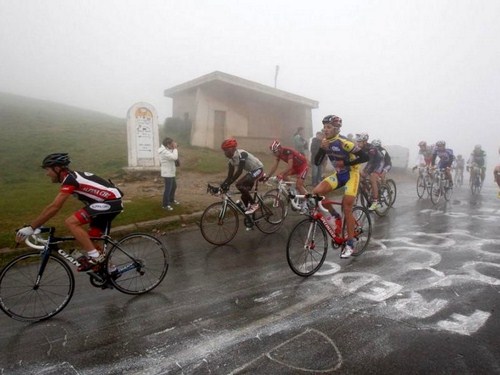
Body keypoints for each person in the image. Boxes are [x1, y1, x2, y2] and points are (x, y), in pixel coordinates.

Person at [15, 153, 123, 272]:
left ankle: (95, 257)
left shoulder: (70, 180)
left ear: (57, 169)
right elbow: (52, 207)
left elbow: (55, 207)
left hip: (111, 202)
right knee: (90, 240)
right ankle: (111, 270)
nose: (47, 174)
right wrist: (36, 225)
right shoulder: (71, 177)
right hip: (106, 203)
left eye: (47, 170)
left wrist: (32, 227)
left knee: (71, 222)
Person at [313, 115, 369, 258]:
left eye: (329, 127)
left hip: (351, 174)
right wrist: (321, 149)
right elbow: (317, 162)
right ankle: (334, 215)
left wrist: (346, 164)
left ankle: (350, 243)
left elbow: (364, 157)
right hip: (339, 174)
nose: (326, 130)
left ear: (336, 128)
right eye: (324, 127)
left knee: (347, 207)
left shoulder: (344, 142)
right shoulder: (325, 142)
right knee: (317, 192)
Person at [220, 138, 264, 215]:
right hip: (251, 172)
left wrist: (228, 184)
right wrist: (222, 185)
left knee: (239, 184)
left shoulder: (242, 154)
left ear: (233, 149)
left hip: (258, 169)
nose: (225, 153)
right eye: (224, 150)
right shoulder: (231, 161)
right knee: (244, 196)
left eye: (226, 150)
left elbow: (239, 171)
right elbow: (229, 176)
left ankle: (254, 205)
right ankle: (250, 218)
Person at [356, 133, 384, 211]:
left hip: (379, 162)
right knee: (361, 178)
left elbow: (371, 162)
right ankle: (368, 193)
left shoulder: (372, 149)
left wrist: (365, 172)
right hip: (371, 163)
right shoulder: (359, 148)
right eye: (357, 141)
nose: (357, 143)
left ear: (365, 142)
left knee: (372, 178)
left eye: (359, 142)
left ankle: (376, 202)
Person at [158, 137, 179, 210]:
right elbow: (174, 157)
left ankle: (171, 200)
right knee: (168, 189)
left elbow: (171, 153)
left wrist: (173, 148)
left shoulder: (166, 149)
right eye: (172, 144)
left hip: (171, 172)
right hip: (167, 173)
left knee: (174, 186)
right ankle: (165, 205)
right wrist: (175, 148)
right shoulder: (163, 151)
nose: (173, 145)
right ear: (167, 144)